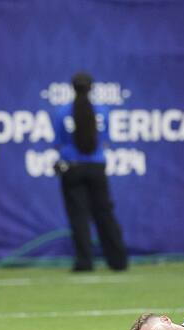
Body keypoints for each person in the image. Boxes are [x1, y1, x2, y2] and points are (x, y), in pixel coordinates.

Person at [53, 72, 127, 272]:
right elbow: (104, 139)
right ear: (91, 88)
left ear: (73, 87)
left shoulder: (62, 112)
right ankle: (118, 261)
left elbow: (59, 142)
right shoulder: (102, 111)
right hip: (96, 166)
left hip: (73, 168)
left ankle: (85, 262)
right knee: (104, 214)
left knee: (79, 217)